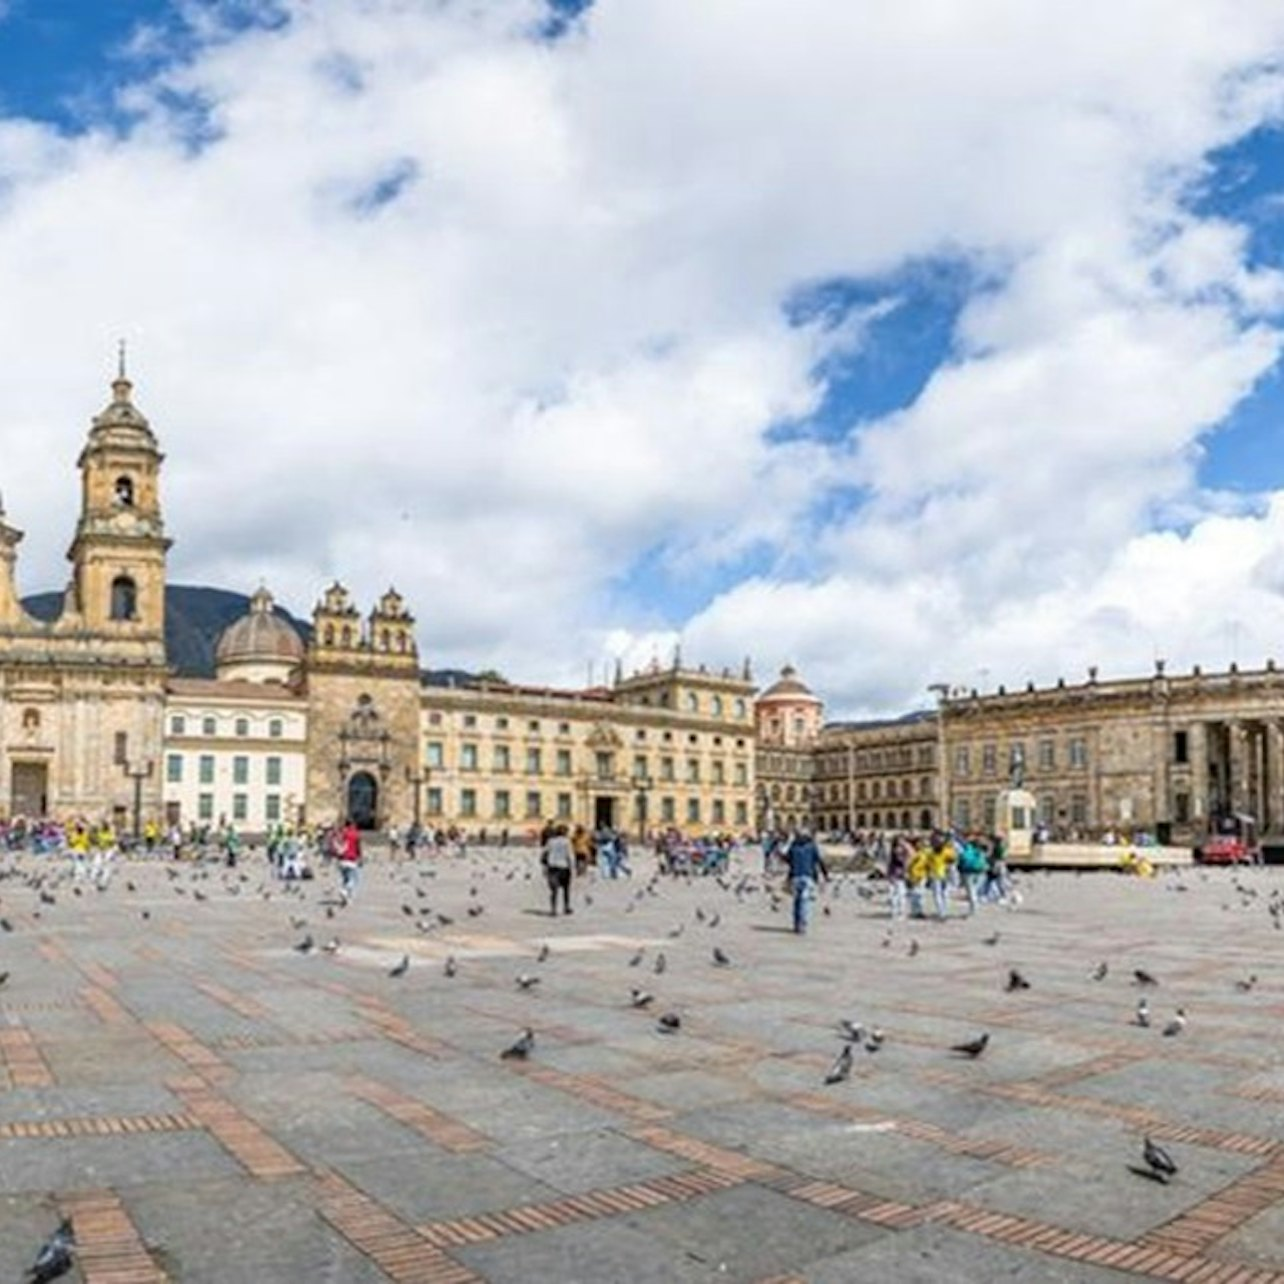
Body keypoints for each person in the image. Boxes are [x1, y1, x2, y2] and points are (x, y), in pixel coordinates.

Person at [783, 828, 828, 935]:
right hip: (808, 876)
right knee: (804, 901)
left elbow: (787, 859)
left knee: (797, 902)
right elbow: (819, 860)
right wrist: (825, 874)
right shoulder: (811, 846)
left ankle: (796, 924)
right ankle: (802, 925)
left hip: (795, 876)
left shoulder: (793, 846)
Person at [541, 823, 574, 915]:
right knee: (566, 889)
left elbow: (544, 853)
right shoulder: (567, 842)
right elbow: (570, 855)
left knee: (554, 890)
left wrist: (544, 867)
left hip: (552, 867)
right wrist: (572, 867)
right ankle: (566, 907)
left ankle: (553, 909)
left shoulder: (550, 841)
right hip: (564, 867)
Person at [886, 833, 910, 920]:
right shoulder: (896, 851)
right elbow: (893, 863)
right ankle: (897, 912)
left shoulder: (901, 850)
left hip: (899, 874)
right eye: (901, 840)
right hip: (896, 874)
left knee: (899, 894)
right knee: (897, 894)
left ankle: (898, 912)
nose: (902, 842)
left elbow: (911, 855)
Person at [337, 820, 362, 902]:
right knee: (353, 879)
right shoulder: (355, 834)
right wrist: (360, 857)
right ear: (353, 824)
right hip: (351, 859)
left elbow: (338, 845)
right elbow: (358, 847)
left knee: (345, 878)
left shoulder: (341, 833)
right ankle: (344, 891)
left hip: (341, 860)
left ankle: (347, 897)